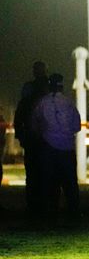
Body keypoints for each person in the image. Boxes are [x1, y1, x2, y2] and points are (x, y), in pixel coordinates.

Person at [31, 72, 81, 220]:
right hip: (66, 146)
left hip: (48, 146)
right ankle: (73, 211)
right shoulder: (68, 103)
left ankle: (51, 211)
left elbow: (34, 124)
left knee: (49, 182)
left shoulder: (42, 102)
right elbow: (76, 125)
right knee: (70, 182)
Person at [13, 60, 50, 216]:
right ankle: (45, 205)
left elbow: (19, 116)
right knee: (45, 174)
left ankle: (33, 205)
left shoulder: (27, 95)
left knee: (32, 174)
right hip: (45, 139)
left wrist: (21, 136)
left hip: (31, 138)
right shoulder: (48, 92)